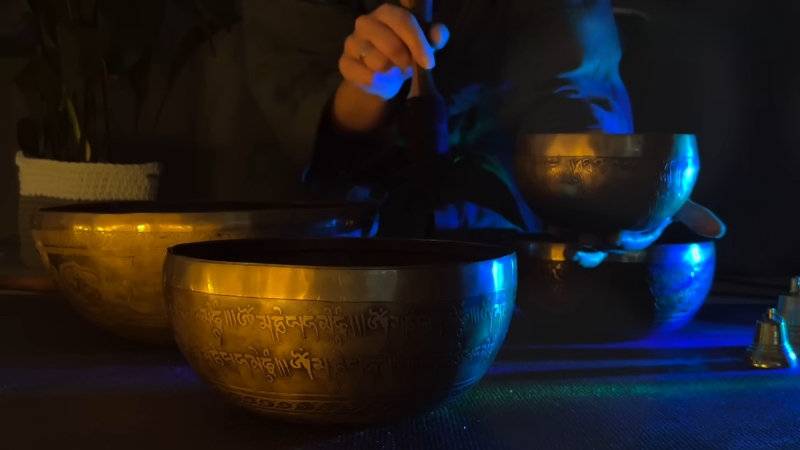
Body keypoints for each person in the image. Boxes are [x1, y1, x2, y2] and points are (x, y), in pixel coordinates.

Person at [242, 0, 724, 264]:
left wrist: (603, 181)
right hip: (330, 251)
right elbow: (303, 106)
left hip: (509, 248)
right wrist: (367, 88)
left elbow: (572, 83)